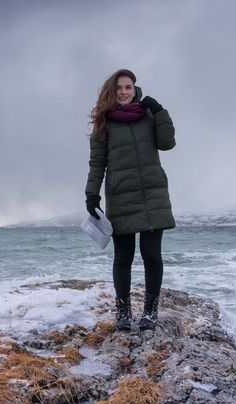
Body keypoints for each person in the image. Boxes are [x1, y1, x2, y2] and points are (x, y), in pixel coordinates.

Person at [85, 69, 176, 331]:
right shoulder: (104, 123)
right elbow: (97, 163)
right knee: (123, 256)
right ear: (111, 92)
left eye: (128, 87)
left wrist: (160, 111)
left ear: (135, 89)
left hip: (152, 194)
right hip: (121, 196)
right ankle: (123, 313)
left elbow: (167, 142)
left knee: (151, 255)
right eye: (119, 88)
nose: (124, 92)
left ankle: (150, 312)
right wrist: (92, 193)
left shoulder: (148, 115)